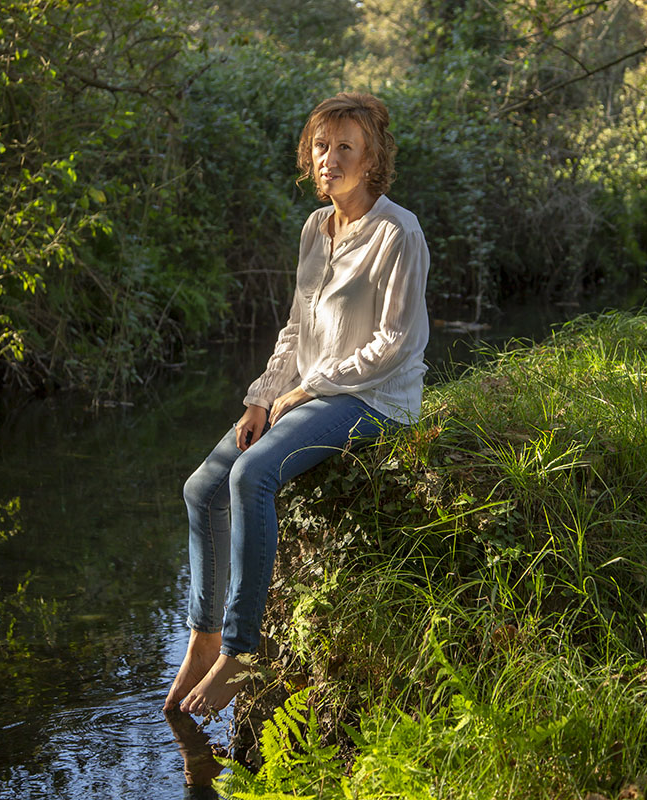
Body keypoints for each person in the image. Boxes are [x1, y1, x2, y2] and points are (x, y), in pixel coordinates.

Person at [163, 92, 430, 717]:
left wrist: (312, 386)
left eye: (345, 148)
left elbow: (397, 343)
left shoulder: (398, 230)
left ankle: (240, 651)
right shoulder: (315, 228)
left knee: (252, 475)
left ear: (371, 161)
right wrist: (261, 398)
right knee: (201, 487)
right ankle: (203, 638)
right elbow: (295, 330)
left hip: (374, 398)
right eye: (320, 146)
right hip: (304, 390)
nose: (328, 159)